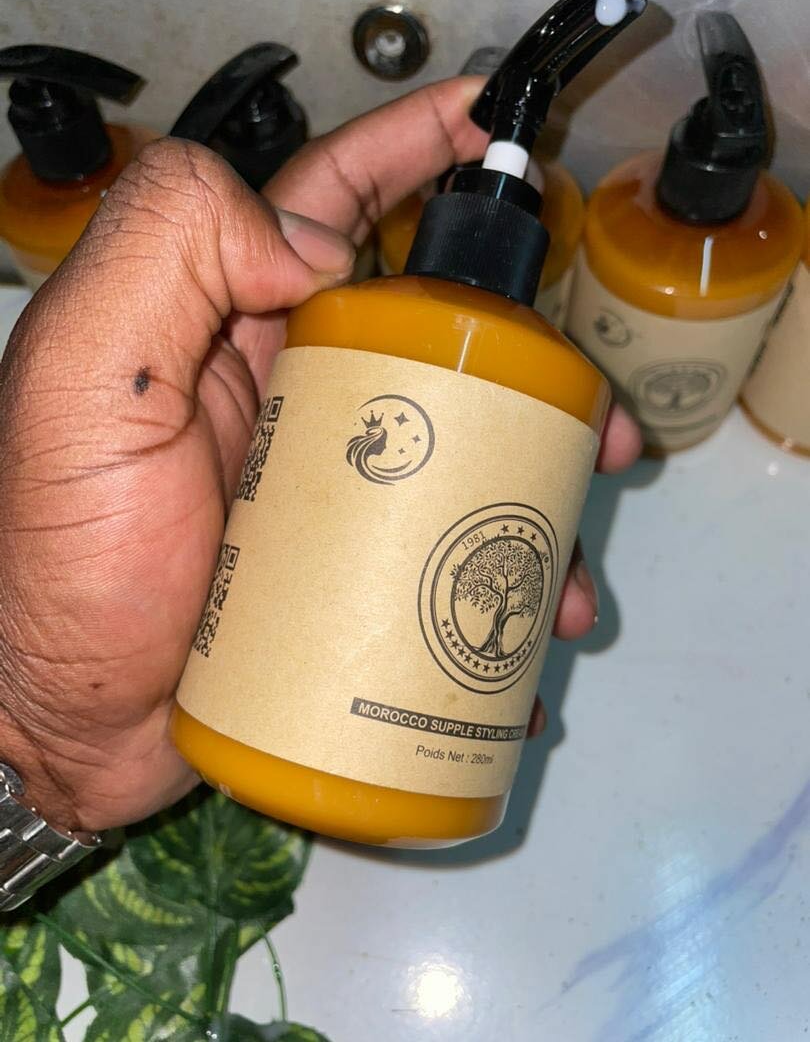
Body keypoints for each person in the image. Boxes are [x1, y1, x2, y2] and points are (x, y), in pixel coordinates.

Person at [0, 76, 641, 837]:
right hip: (232, 713)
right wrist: (41, 733)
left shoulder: (349, 317)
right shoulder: (342, 316)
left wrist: (59, 755)